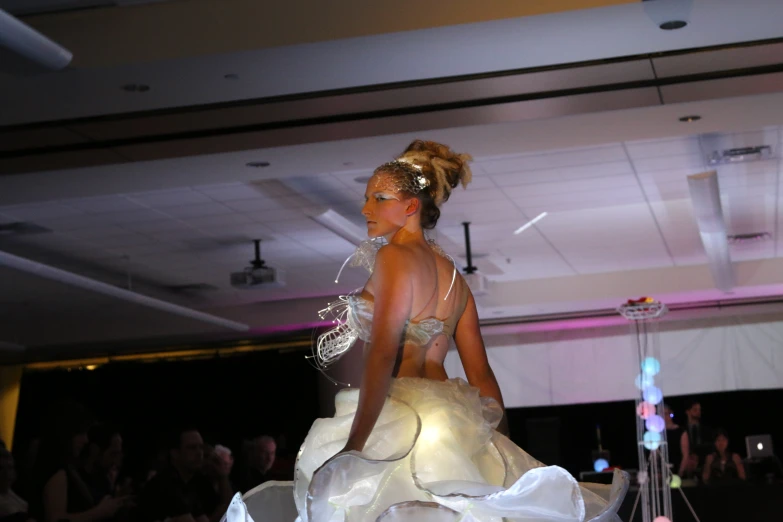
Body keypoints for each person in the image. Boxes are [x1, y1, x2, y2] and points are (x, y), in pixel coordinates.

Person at [231, 140, 628, 522]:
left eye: (378, 199)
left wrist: (355, 446)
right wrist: (501, 446)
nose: (366, 207)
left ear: (410, 206)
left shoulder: (394, 257)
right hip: (454, 421)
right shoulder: (455, 278)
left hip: (403, 420)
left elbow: (384, 353)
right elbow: (481, 373)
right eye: (368, 197)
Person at [32, 401, 127, 522]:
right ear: (67, 433)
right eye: (81, 433)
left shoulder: (65, 468)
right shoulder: (56, 470)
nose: (86, 440)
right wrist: (100, 512)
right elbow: (56, 519)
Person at [137, 428, 232, 522]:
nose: (199, 453)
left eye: (201, 447)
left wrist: (223, 476)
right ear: (175, 453)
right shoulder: (166, 484)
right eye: (192, 448)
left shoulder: (189, 485)